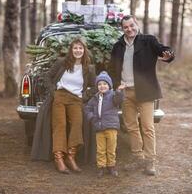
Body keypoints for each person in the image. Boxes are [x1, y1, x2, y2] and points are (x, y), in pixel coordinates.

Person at [109, 15, 175, 176]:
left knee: (147, 127)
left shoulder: (148, 41)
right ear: (122, 29)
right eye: (126, 27)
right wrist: (118, 84)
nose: (129, 29)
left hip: (145, 91)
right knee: (131, 127)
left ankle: (150, 162)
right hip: (126, 92)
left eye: (132, 25)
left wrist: (168, 55)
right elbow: (112, 68)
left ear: (136, 24)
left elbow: (164, 50)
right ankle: (138, 158)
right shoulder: (118, 46)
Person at [31, 37, 96, 174]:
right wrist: (53, 92)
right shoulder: (62, 63)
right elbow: (47, 77)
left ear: (84, 50)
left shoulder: (88, 68)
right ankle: (59, 158)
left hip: (76, 99)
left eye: (80, 48)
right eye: (75, 48)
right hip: (60, 96)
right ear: (71, 50)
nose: (77, 50)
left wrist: (85, 96)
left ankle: (71, 157)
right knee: (60, 125)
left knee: (77, 124)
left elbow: (95, 86)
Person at [84, 71, 124, 178]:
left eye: (105, 84)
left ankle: (111, 166)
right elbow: (87, 108)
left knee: (111, 149)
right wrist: (92, 117)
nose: (102, 86)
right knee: (100, 149)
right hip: (99, 127)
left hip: (111, 127)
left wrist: (119, 91)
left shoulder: (113, 96)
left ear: (109, 85)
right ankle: (101, 167)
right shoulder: (95, 98)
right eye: (100, 84)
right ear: (97, 86)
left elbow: (119, 100)